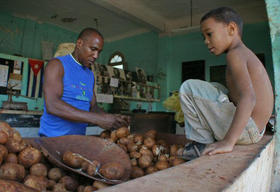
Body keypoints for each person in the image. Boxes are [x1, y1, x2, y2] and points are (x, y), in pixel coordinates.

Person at [178, 7, 274, 160]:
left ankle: (201, 143)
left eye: (209, 34)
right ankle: (209, 137)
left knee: (188, 87)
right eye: (204, 36)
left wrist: (228, 142)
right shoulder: (244, 53)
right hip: (255, 131)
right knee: (216, 87)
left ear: (231, 29)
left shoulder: (235, 54)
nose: (206, 41)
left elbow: (249, 98)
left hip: (247, 129)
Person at [39, 28, 129, 137]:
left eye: (99, 52)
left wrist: (112, 119)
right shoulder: (57, 65)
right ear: (79, 43)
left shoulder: (90, 75)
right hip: (52, 140)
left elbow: (93, 107)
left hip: (78, 141)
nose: (96, 56)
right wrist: (97, 119)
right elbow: (52, 105)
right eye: (93, 49)